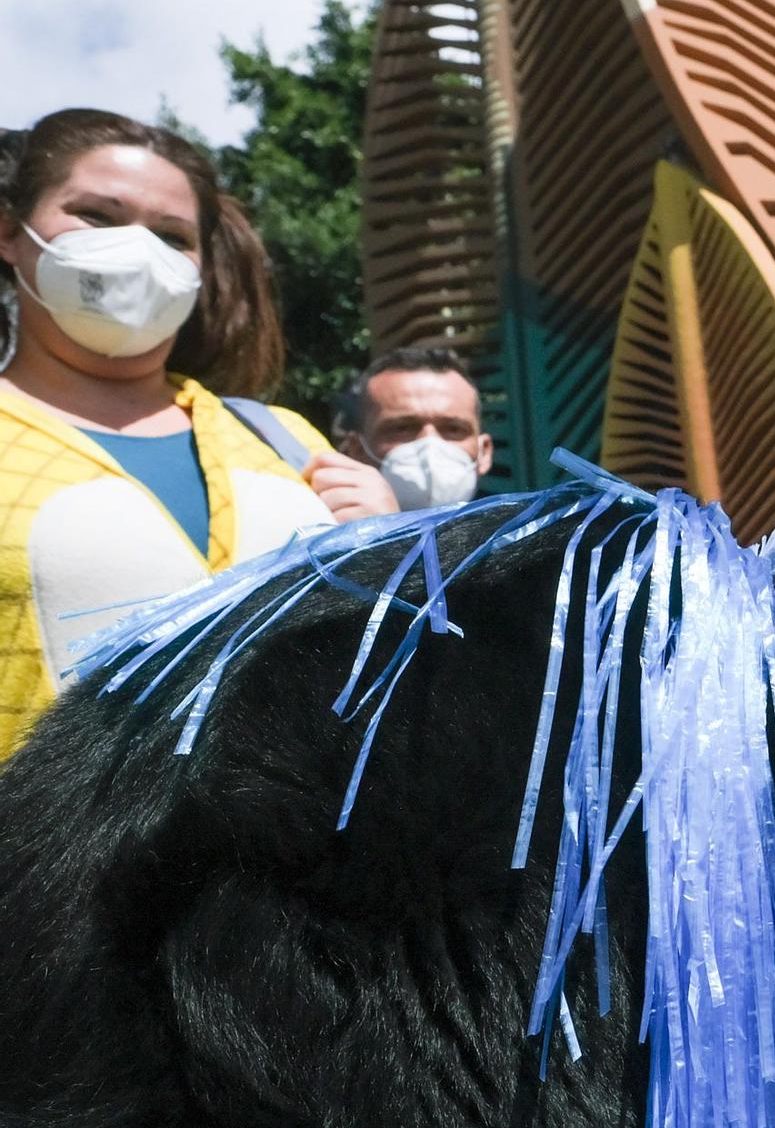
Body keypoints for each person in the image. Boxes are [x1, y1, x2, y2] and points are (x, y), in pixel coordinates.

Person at [0, 109, 398, 757]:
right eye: (96, 216)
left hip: (303, 847)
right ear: (10, 232)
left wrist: (396, 549)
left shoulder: (283, 438)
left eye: (172, 236)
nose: (137, 252)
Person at [337, 346, 491, 510]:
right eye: (402, 429)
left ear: (484, 452)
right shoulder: (319, 528)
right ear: (356, 451)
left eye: (453, 429)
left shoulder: (516, 533)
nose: (430, 448)